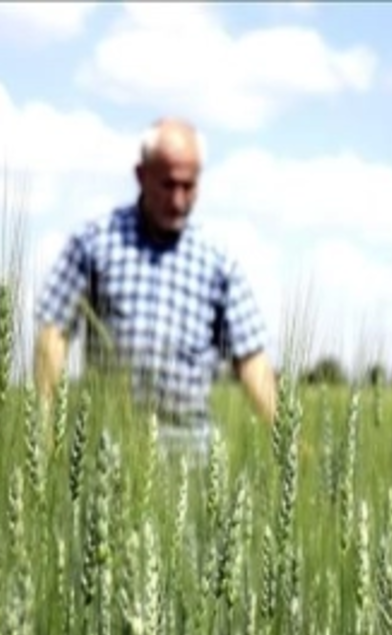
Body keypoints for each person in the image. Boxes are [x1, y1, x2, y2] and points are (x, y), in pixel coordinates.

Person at [32, 117, 277, 456]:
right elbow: (53, 331)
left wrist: (286, 442)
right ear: (140, 175)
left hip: (192, 453)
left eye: (188, 186)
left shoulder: (218, 262)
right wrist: (44, 421)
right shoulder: (95, 243)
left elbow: (250, 358)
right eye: (168, 184)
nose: (178, 200)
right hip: (107, 449)